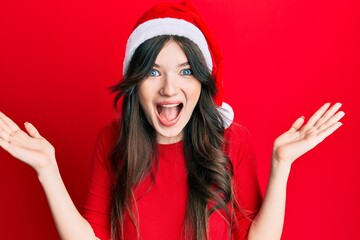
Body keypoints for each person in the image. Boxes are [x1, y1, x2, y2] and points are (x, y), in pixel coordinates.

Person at [0, 1, 345, 240]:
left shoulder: (232, 141)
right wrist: (47, 170)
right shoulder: (112, 140)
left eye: (185, 71)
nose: (169, 88)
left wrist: (280, 165)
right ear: (135, 81)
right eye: (153, 71)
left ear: (202, 81)